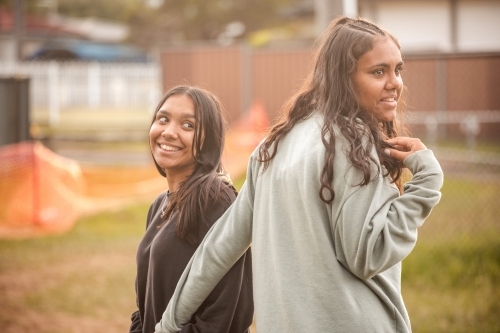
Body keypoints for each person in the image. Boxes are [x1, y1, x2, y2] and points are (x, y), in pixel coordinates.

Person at [155, 17, 444, 333]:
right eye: (378, 72)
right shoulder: (352, 141)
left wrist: (168, 325)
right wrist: (427, 182)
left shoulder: (272, 146)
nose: (395, 83)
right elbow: (368, 254)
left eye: (397, 69)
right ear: (343, 77)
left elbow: (217, 249)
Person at [129, 85, 254, 333]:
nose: (169, 132)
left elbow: (226, 315)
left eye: (188, 125)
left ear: (208, 140)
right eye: (163, 119)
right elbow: (145, 304)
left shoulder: (216, 201)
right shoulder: (159, 206)